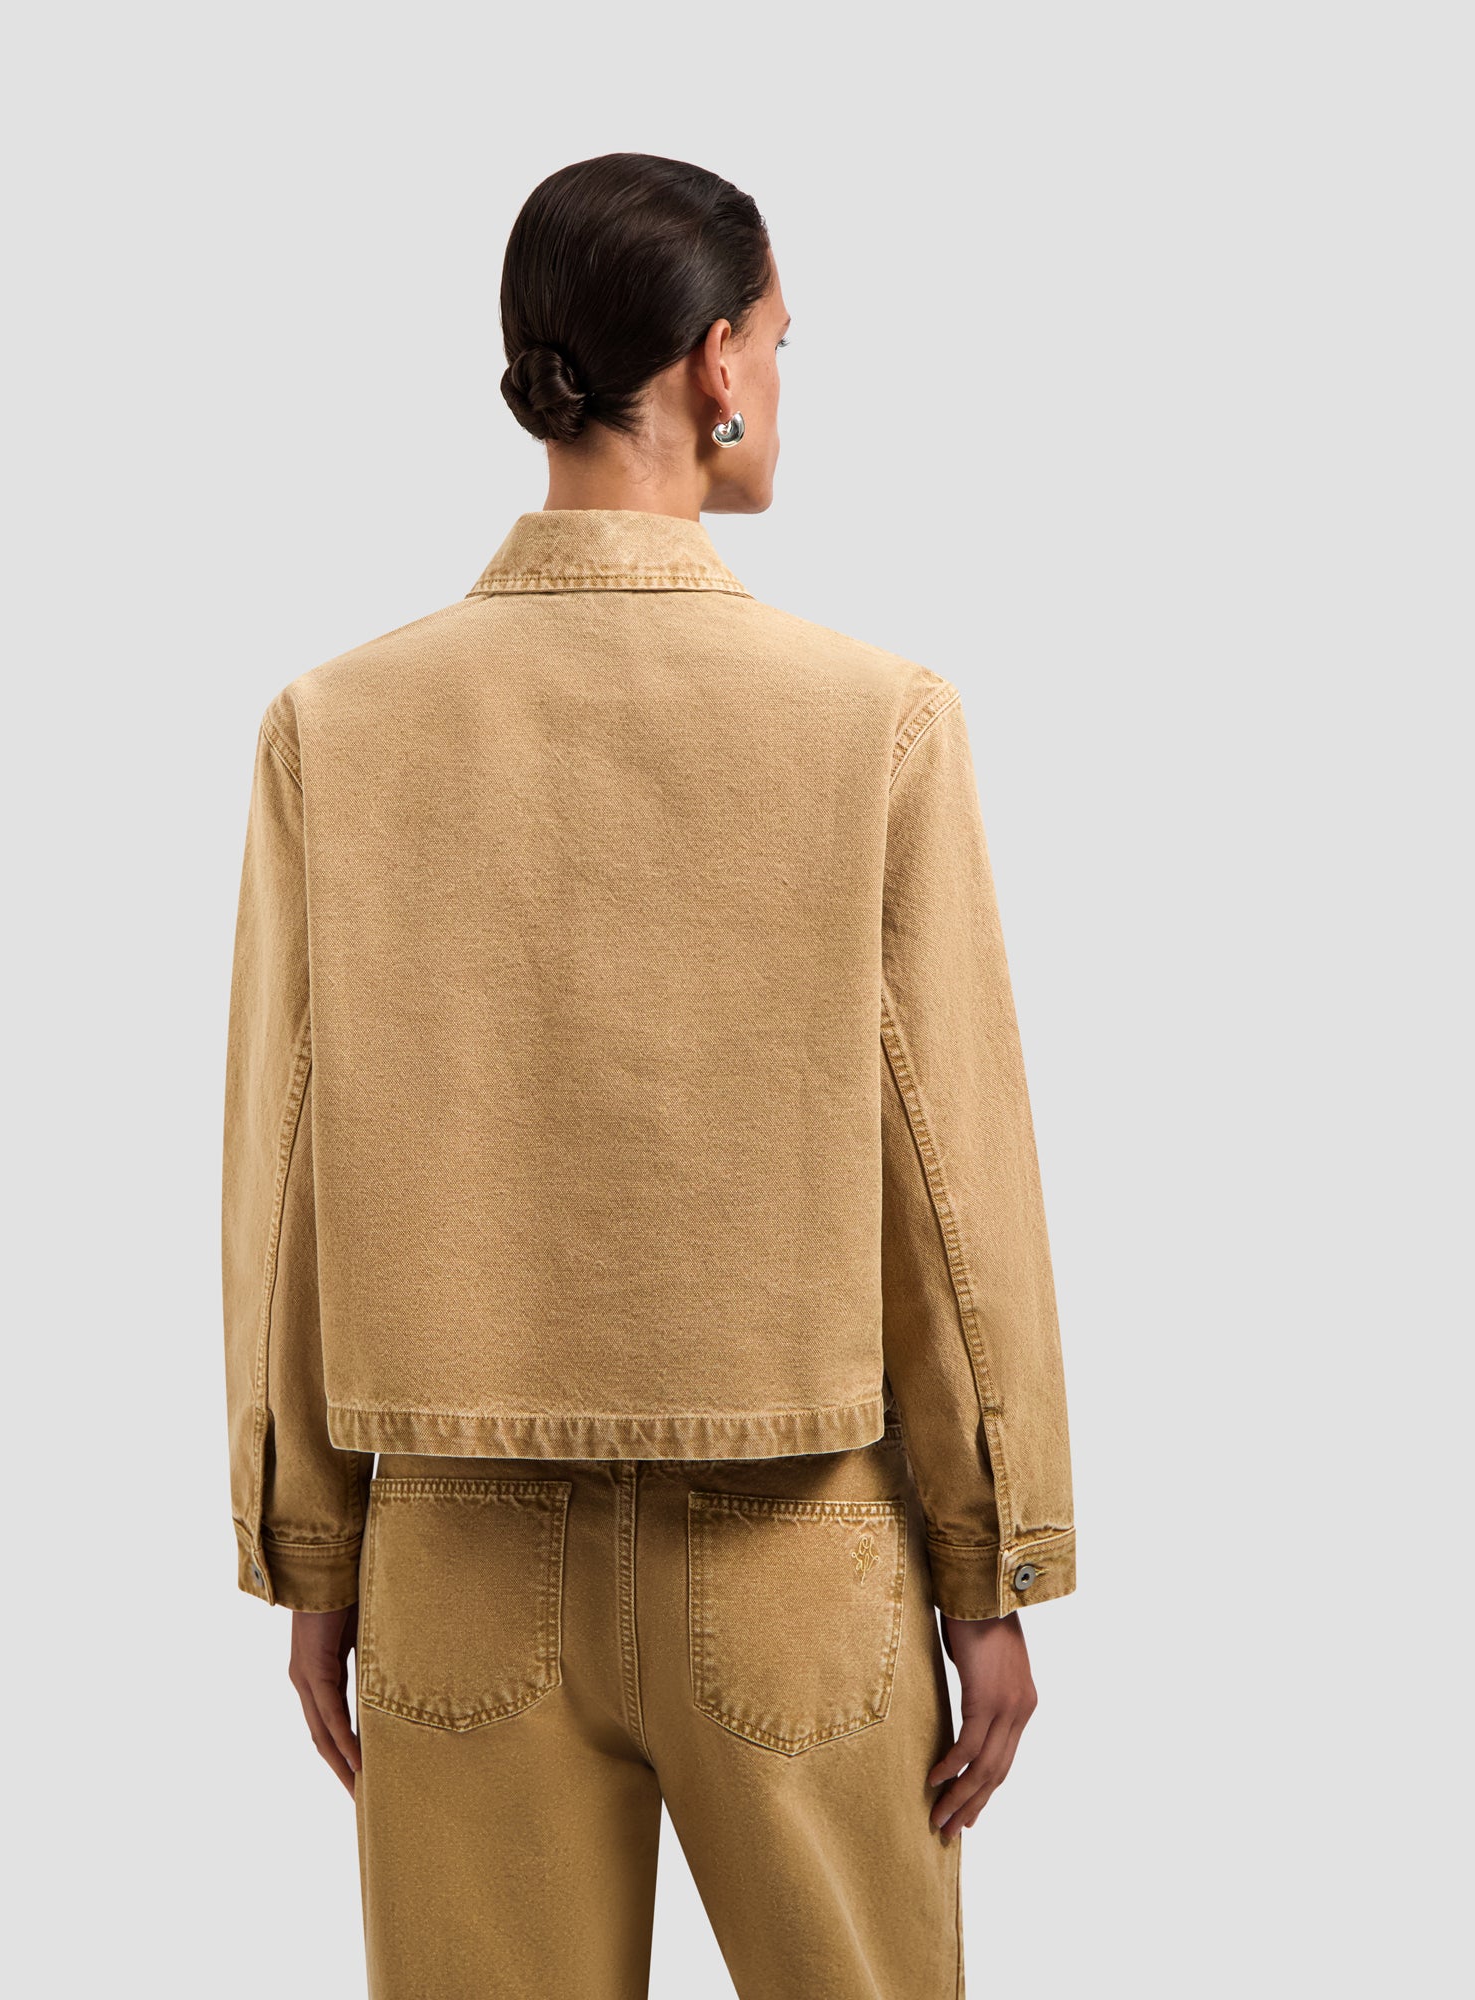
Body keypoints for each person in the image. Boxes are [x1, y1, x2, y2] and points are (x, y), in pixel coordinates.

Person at [221, 152, 1076, 2000]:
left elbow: (283, 1168)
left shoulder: (334, 727)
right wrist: (992, 1567)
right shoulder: (877, 722)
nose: (780, 373)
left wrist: (313, 1549)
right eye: (782, 336)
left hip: (454, 1549)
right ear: (715, 365)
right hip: (798, 1552)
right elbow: (950, 1188)